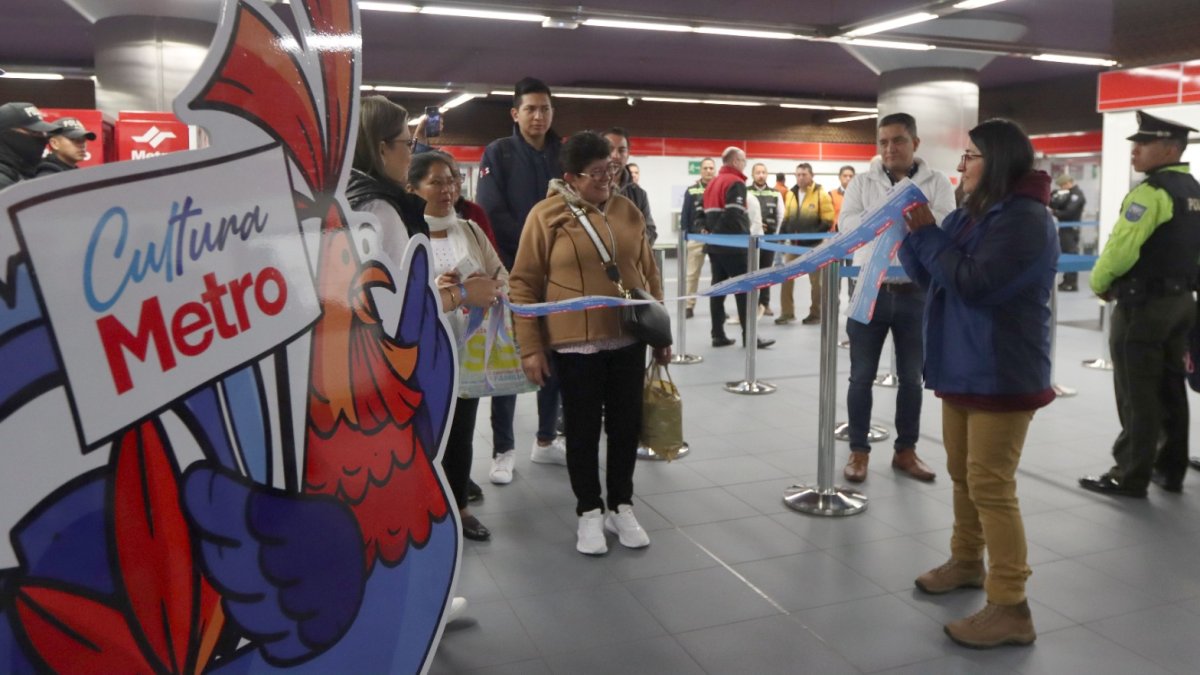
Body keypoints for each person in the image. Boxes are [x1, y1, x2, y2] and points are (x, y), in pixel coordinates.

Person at [900, 118, 1057, 649]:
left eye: (971, 155)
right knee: (962, 475)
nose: (961, 165)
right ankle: (967, 562)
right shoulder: (977, 214)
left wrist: (927, 235)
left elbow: (974, 284)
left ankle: (1011, 605)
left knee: (990, 484)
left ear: (1001, 160)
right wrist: (910, 239)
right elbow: (936, 278)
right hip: (963, 366)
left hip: (1001, 372)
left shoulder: (1026, 221)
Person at [508, 131, 670, 555]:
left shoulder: (627, 210)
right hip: (574, 344)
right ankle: (588, 513)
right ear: (571, 177)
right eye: (596, 173)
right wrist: (530, 347)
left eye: (611, 170)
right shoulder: (545, 216)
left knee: (625, 427)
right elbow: (522, 284)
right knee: (580, 431)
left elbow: (649, 274)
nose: (606, 180)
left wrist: (661, 334)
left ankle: (621, 505)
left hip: (628, 339)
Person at [1079, 110, 1200, 497]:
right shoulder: (1194, 191)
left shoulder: (1152, 193)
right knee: (1171, 388)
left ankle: (1129, 474)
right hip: (1182, 302)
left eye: (1143, 144)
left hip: (1144, 307)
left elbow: (1122, 249)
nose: (1135, 151)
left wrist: (1099, 281)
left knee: (1136, 391)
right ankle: (1170, 468)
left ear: (1169, 149)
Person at [838, 113, 956, 484]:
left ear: (915, 143)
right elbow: (848, 225)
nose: (890, 148)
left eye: (899, 141)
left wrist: (889, 220)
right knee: (860, 377)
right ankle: (859, 451)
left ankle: (906, 450)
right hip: (868, 291)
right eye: (884, 141)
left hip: (916, 292)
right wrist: (904, 218)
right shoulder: (861, 182)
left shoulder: (937, 182)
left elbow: (944, 223)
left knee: (910, 378)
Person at [407, 152, 508, 542]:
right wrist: (444, 288)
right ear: (413, 188)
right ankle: (420, 507)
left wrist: (485, 285)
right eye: (436, 182)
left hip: (467, 348)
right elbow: (400, 297)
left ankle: (459, 507)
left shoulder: (470, 229)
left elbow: (504, 279)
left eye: (452, 180)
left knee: (462, 430)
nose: (448, 189)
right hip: (418, 354)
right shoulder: (405, 230)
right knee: (421, 433)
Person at [476, 77, 567, 482]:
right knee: (511, 361)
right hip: (513, 273)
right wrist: (534, 248)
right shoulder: (498, 153)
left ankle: (546, 439)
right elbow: (492, 212)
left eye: (544, 108)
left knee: (554, 355)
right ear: (516, 113)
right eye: (530, 108)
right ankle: (503, 449)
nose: (538, 115)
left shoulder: (563, 154)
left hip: (559, 275)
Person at [704, 147, 774, 349]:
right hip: (734, 246)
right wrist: (721, 234)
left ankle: (717, 334)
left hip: (716, 248)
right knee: (746, 292)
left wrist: (711, 234)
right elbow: (733, 215)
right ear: (735, 161)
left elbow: (705, 215)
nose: (745, 164)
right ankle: (750, 336)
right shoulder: (735, 182)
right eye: (743, 160)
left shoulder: (713, 183)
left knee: (718, 290)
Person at [777, 162, 834, 325]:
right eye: (798, 174)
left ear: (811, 176)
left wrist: (812, 236)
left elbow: (827, 220)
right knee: (786, 277)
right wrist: (781, 236)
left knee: (817, 283)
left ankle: (816, 313)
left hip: (814, 245)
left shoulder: (820, 194)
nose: (801, 178)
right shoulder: (790, 194)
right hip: (794, 244)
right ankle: (787, 313)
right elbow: (787, 218)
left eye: (804, 174)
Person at [604, 127, 656, 244]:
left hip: (630, 259)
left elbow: (651, 231)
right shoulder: (589, 189)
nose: (615, 155)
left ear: (628, 154)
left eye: (621, 150)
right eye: (609, 149)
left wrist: (630, 243)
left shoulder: (638, 194)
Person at [680, 157, 716, 319]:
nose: (708, 171)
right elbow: (685, 215)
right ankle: (689, 305)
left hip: (717, 239)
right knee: (692, 274)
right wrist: (685, 236)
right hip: (696, 238)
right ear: (700, 170)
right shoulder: (692, 190)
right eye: (705, 168)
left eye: (711, 168)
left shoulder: (720, 189)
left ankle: (717, 307)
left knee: (718, 275)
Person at [748, 162, 785, 316]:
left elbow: (781, 216)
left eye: (763, 172)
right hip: (750, 241)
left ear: (767, 174)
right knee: (751, 272)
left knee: (766, 272)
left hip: (769, 241)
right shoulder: (745, 192)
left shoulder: (775, 194)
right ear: (752, 175)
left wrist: (775, 237)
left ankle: (765, 303)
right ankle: (751, 303)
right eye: (758, 172)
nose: (761, 175)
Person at [0, 102, 59, 190]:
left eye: (42, 133)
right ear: (7, 134)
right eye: (34, 132)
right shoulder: (4, 182)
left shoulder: (29, 172)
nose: (43, 138)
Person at [1050, 173, 1086, 291]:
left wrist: (1054, 213)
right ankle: (1066, 280)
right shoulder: (1069, 194)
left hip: (1071, 228)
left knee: (1071, 254)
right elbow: (1059, 204)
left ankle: (1072, 283)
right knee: (1065, 253)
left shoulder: (1076, 195)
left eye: (1062, 185)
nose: (1061, 188)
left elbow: (1069, 212)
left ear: (1068, 183)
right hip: (1065, 228)